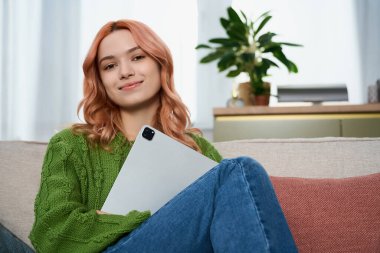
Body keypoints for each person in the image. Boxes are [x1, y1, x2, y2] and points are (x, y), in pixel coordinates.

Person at [29, 19, 297, 253]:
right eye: (110, 66)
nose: (125, 72)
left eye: (137, 57)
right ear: (100, 81)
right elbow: (50, 234)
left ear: (160, 65)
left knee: (237, 172)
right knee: (241, 168)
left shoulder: (197, 149)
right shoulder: (70, 144)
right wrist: (135, 220)